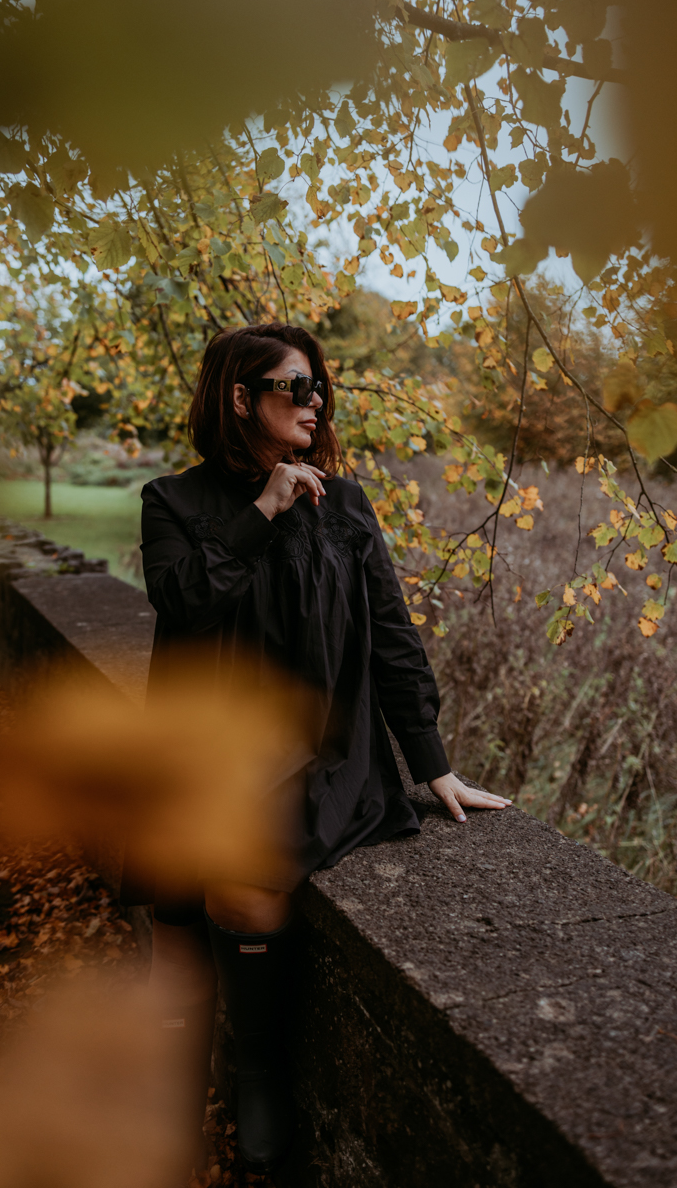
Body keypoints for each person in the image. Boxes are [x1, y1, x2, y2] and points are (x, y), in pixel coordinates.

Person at [121, 322, 511, 1175]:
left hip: (317, 761)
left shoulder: (347, 507)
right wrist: (263, 509)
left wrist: (433, 761)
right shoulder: (173, 504)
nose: (316, 402)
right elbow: (188, 602)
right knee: (177, 937)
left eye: (318, 387)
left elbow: (393, 637)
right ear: (239, 398)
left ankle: (257, 1095)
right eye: (296, 387)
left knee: (244, 885)